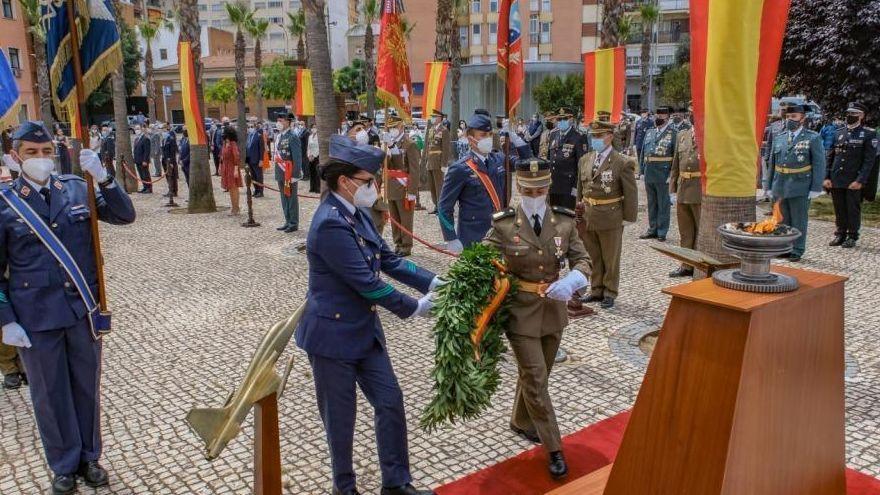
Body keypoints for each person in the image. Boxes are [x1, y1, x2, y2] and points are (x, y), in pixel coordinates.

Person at [295, 134, 438, 495]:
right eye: (369, 181)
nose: (375, 186)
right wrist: (415, 308)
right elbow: (367, 283)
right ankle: (345, 489)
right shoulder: (329, 223)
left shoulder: (356, 213)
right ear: (345, 182)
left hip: (364, 333)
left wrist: (434, 282)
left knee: (390, 402)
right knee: (341, 422)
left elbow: (388, 260)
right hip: (332, 338)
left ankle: (396, 483)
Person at [0, 121, 135, 494]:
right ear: (16, 156)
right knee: (48, 394)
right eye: (31, 153)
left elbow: (125, 216)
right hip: (36, 319)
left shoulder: (77, 189)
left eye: (46, 152)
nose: (41, 159)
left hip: (81, 311)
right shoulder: (6, 203)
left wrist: (105, 178)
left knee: (85, 388)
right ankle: (63, 464)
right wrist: (5, 320)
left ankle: (90, 457)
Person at [483, 157, 591, 479]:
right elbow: (483, 260)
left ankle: (520, 419)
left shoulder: (564, 221)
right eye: (529, 190)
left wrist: (574, 280)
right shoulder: (503, 225)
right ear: (519, 188)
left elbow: (582, 258)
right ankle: (554, 447)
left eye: (541, 188)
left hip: (553, 312)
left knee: (536, 375)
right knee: (535, 377)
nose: (535, 194)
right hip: (520, 312)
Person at [438, 111, 531, 252]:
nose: (487, 139)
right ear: (470, 139)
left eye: (489, 135)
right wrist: (451, 238)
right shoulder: (460, 168)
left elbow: (526, 165)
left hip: (500, 235)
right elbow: (444, 207)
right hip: (474, 238)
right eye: (482, 135)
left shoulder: (499, 159)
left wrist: (516, 139)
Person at [576, 121, 638, 309]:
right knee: (593, 254)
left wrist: (627, 217)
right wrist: (578, 208)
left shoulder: (622, 162)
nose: (595, 139)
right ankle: (596, 289)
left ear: (610, 137)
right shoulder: (585, 159)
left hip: (610, 216)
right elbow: (581, 187)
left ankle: (610, 291)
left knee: (610, 257)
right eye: (593, 136)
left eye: (599, 136)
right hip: (588, 215)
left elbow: (631, 192)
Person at [764, 104, 826, 262]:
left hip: (800, 186)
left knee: (798, 219)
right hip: (780, 184)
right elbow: (772, 163)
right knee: (782, 219)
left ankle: (797, 249)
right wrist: (768, 186)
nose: (790, 120)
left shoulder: (812, 138)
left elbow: (819, 164)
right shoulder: (780, 137)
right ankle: (784, 247)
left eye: (794, 117)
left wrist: (816, 187)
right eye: (787, 117)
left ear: (802, 118)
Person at [824, 102, 877, 248]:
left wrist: (860, 180)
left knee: (852, 208)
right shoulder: (838, 133)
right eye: (849, 113)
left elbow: (869, 161)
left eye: (854, 114)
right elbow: (830, 156)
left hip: (853, 179)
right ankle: (840, 233)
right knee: (839, 207)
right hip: (836, 177)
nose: (850, 116)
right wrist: (827, 177)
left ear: (861, 116)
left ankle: (852, 235)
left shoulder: (869, 134)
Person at [382, 115, 421, 256]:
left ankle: (406, 245)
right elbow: (387, 165)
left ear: (401, 127)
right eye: (390, 127)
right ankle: (398, 243)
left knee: (405, 218)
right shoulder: (388, 144)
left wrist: (412, 190)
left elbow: (414, 170)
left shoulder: (410, 144)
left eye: (395, 127)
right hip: (392, 186)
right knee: (395, 219)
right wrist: (387, 149)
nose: (392, 130)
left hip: (404, 187)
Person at [668, 119, 702, 277]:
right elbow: (675, 163)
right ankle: (686, 264)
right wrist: (672, 189)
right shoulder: (682, 135)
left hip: (700, 189)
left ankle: (699, 264)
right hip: (683, 187)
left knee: (700, 230)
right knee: (685, 231)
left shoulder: (708, 136)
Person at [639, 106, 677, 242]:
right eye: (657, 116)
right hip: (650, 171)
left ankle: (662, 231)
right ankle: (652, 228)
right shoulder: (650, 132)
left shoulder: (673, 133)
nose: (658, 119)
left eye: (661, 117)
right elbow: (643, 151)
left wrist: (671, 175)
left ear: (667, 118)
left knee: (663, 203)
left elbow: (675, 156)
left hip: (663, 172)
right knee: (651, 202)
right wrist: (641, 170)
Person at [546, 108, 590, 210]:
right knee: (553, 217)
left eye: (564, 119)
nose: (561, 122)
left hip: (568, 187)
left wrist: (576, 188)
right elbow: (550, 159)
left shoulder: (579, 137)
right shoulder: (553, 135)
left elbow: (582, 166)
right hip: (553, 185)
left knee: (567, 219)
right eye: (559, 119)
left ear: (571, 119)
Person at [273, 112, 302, 232]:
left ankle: (293, 223)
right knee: (284, 197)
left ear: (288, 122)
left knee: (291, 197)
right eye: (278, 120)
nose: (279, 122)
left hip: (289, 172)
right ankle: (287, 220)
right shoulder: (279, 136)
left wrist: (295, 174)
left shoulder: (292, 136)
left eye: (282, 120)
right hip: (281, 172)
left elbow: (297, 157)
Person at [421, 110, 451, 214]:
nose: (433, 118)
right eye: (432, 116)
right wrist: (424, 159)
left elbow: (446, 148)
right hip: (430, 161)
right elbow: (427, 146)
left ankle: (441, 207)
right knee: (432, 186)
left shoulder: (444, 130)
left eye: (435, 116)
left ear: (440, 118)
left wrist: (444, 164)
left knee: (439, 186)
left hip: (438, 162)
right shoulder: (431, 129)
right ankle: (436, 205)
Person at [220, 125, 242, 215]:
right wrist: (220, 167)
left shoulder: (233, 143)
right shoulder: (225, 143)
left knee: (234, 188)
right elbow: (222, 156)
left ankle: (236, 208)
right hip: (226, 166)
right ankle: (234, 207)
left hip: (232, 167)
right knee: (230, 188)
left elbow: (236, 156)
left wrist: (236, 169)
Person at [245, 123, 265, 198]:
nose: (250, 128)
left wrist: (261, 160)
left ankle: (260, 191)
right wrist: (246, 161)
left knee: (259, 176)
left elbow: (261, 149)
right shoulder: (249, 136)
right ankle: (256, 190)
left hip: (257, 160)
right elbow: (247, 149)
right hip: (250, 160)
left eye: (252, 127)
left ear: (255, 128)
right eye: (249, 127)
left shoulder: (259, 136)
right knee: (253, 176)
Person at [132, 125, 152, 193]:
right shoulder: (136, 139)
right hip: (138, 160)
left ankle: (149, 188)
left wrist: (145, 160)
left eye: (138, 129)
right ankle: (145, 187)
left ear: (142, 129)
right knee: (141, 175)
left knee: (146, 175)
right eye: (135, 129)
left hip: (143, 161)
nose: (136, 130)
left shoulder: (145, 139)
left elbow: (147, 151)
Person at [161, 124, 179, 199]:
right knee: (168, 176)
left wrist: (171, 162)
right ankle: (170, 189)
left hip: (170, 160)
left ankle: (174, 191)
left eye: (163, 129)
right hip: (164, 160)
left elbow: (172, 151)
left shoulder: (171, 138)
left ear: (167, 129)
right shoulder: (163, 139)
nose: (162, 130)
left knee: (172, 176)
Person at [307, 123, 320, 193]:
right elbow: (308, 147)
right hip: (310, 157)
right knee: (311, 173)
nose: (314, 129)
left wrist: (314, 156)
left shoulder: (319, 136)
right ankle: (312, 187)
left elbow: (319, 147)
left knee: (317, 173)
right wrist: (309, 155)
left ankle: (318, 188)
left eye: (315, 127)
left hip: (317, 156)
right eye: (313, 127)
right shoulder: (310, 136)